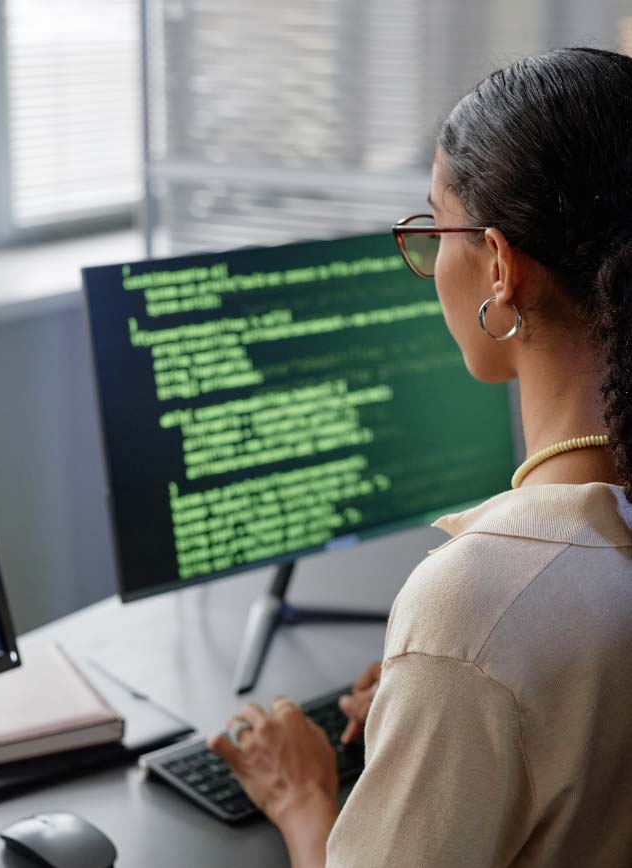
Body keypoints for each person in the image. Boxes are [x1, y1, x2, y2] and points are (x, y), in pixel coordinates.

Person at [209, 47, 632, 868]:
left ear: (501, 267)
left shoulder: (473, 607)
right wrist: (436, 705)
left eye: (437, 229)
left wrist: (304, 803)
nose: (433, 260)